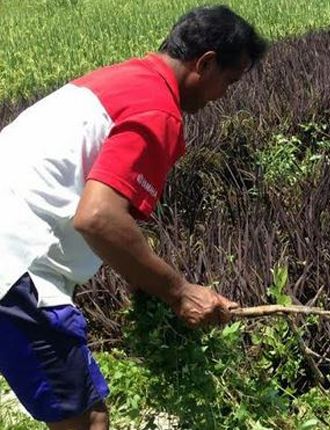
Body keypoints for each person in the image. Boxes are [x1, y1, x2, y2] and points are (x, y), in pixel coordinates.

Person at [0, 5, 269, 429]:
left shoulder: (125, 77)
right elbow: (99, 217)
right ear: (206, 63)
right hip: (17, 262)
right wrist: (179, 291)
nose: (224, 96)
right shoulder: (158, 110)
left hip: (14, 248)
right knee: (87, 421)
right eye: (229, 82)